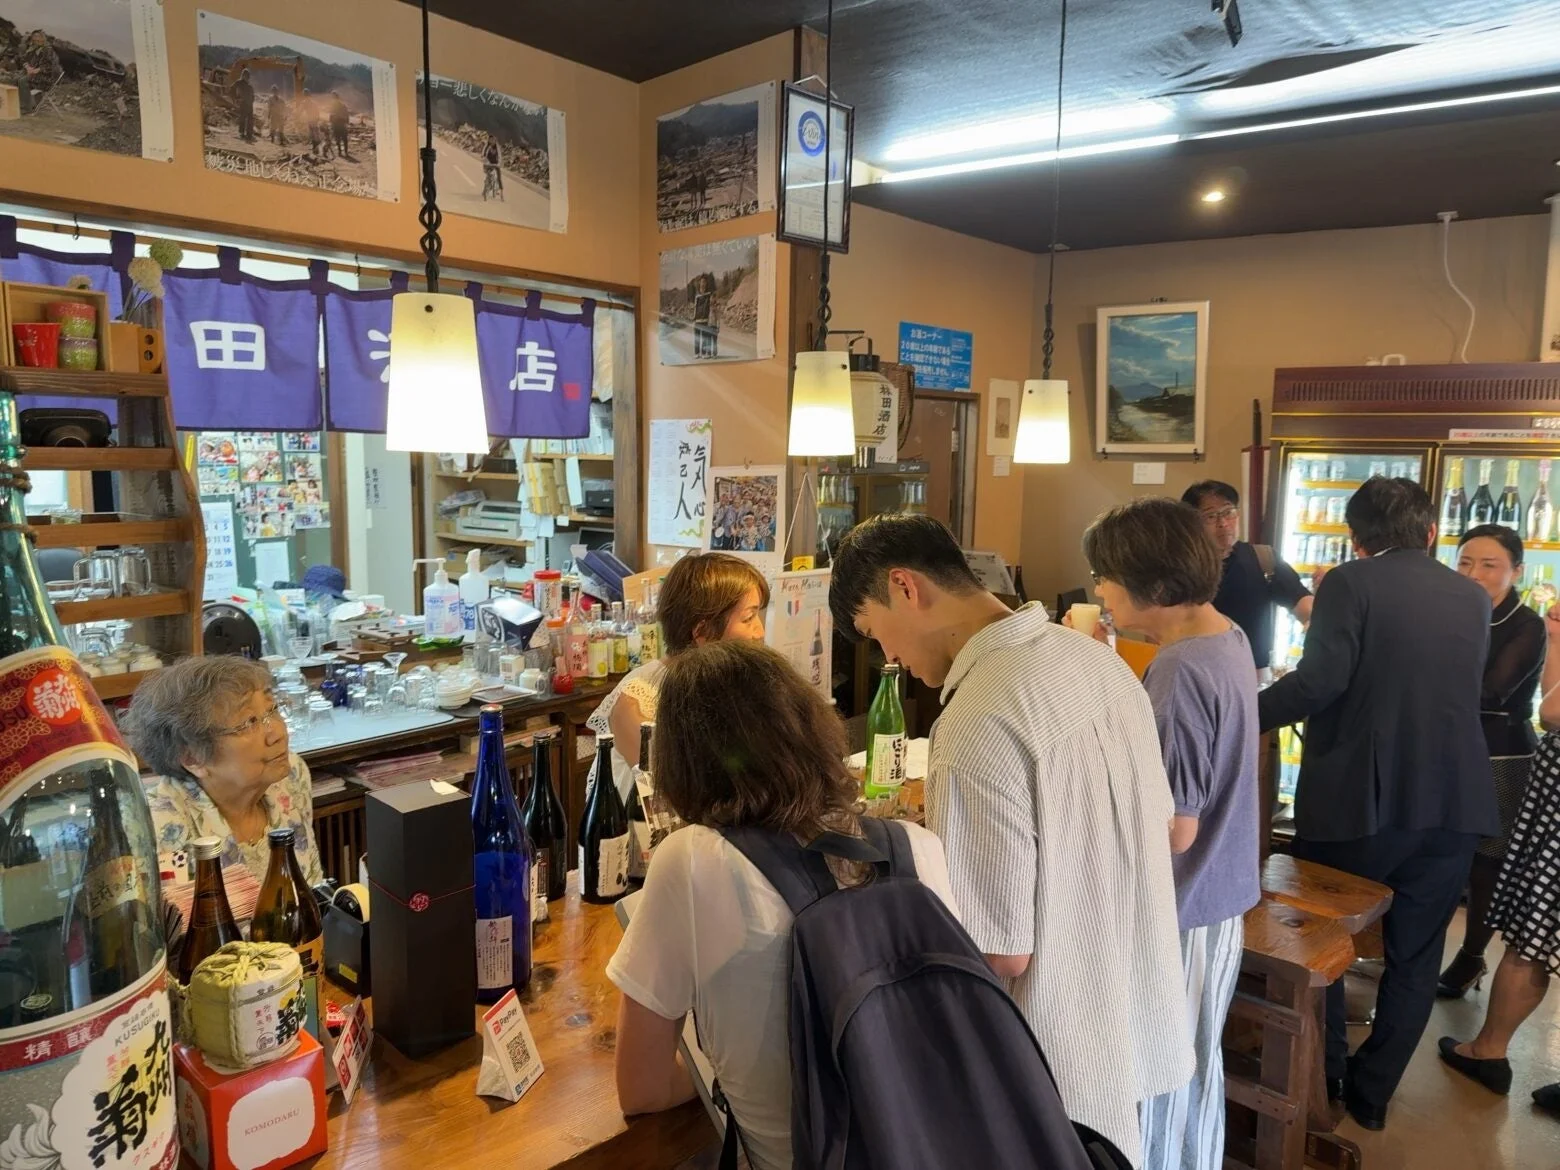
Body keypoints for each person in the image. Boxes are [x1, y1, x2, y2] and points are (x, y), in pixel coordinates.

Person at [829, 513, 1192, 1157]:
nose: (887, 656)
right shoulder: (1097, 661)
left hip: (1058, 1063)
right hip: (1143, 1011)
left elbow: (998, 954)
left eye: (873, 631)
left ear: (905, 587)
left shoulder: (976, 718)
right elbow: (1161, 827)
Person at [608, 639, 959, 1170]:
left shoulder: (691, 860)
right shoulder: (918, 847)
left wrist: (730, 1075)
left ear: (681, 759)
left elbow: (643, 1088)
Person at [1259, 476, 1498, 1130]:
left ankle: (1327, 1075)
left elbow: (1320, 682)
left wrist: (1241, 713)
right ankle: (1371, 1095)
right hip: (1454, 800)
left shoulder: (1348, 583)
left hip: (1362, 802)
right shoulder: (1472, 597)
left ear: (1356, 539)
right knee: (1416, 956)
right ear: (1429, 534)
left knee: (1326, 941)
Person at [1082, 498, 1260, 1170]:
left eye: (1105, 577)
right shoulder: (1227, 637)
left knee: (1157, 1078)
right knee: (1193, 1067)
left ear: (1150, 586)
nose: (1099, 590)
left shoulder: (1181, 670)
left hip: (1182, 906)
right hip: (1221, 897)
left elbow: (1175, 828)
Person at [1438, 602, 1560, 1111]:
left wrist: (1557, 638)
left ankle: (1488, 1051)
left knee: (1534, 930)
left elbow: (1552, 712)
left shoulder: (1534, 625)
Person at [1438, 524, 1546, 998]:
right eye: (1464, 562)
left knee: (1487, 864)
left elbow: (1490, 690)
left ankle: (1471, 957)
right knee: (1439, 855)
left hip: (1500, 755)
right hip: (1448, 747)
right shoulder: (1449, 610)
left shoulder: (1527, 624)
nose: (1473, 574)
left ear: (1515, 571)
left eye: (1489, 565)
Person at [128, 656, 324, 893]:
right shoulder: (156, 832)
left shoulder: (290, 776)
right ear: (193, 758)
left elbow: (312, 890)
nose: (277, 734)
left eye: (272, 709)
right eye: (249, 722)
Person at [585, 552, 768, 802]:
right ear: (702, 632)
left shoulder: (734, 678)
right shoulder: (638, 701)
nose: (760, 631)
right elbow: (672, 795)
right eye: (748, 618)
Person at [1182, 480, 1313, 674]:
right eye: (1210, 516)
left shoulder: (1263, 559)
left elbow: (1301, 601)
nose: (1223, 523)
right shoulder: (1180, 566)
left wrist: (1318, 619)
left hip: (1253, 673)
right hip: (1195, 673)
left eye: (1228, 512)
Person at [232, 68, 255, 142]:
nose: (247, 77)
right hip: (243, 103)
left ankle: (249, 134)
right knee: (242, 119)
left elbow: (253, 95)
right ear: (243, 75)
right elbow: (231, 90)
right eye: (246, 75)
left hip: (250, 105)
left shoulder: (249, 85)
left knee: (250, 120)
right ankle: (241, 133)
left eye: (248, 76)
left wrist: (252, 100)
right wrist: (236, 99)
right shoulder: (239, 82)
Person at [328, 91, 352, 160]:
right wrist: (347, 122)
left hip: (337, 124)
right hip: (341, 124)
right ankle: (345, 152)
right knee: (344, 138)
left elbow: (331, 116)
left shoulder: (333, 106)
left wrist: (331, 123)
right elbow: (347, 115)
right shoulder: (342, 105)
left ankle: (340, 152)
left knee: (338, 138)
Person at [482, 134, 503, 200]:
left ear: (495, 141)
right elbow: (483, 152)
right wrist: (483, 157)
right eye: (490, 140)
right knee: (487, 175)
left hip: (495, 164)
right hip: (488, 163)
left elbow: (499, 156)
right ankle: (485, 188)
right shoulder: (487, 146)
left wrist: (499, 163)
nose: (491, 141)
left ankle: (502, 193)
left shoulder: (497, 147)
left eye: (493, 140)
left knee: (499, 177)